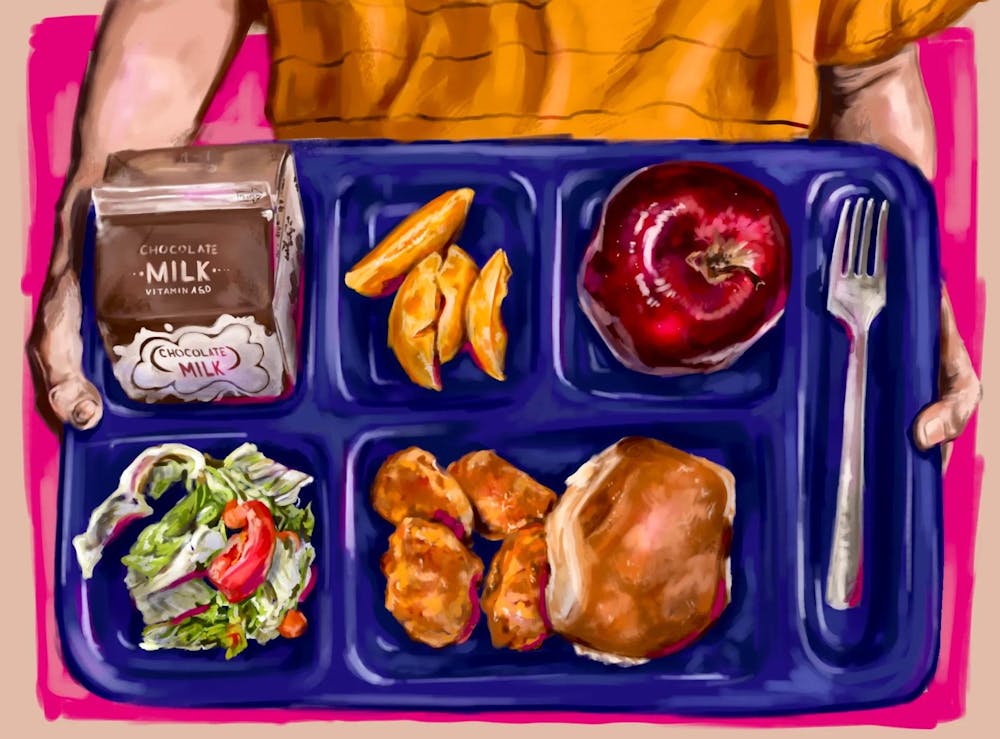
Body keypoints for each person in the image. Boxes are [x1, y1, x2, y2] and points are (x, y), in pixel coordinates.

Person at [28, 0, 983, 461]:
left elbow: (862, 61)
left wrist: (906, 254)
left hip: (741, 320)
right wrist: (94, 216)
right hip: (357, 283)